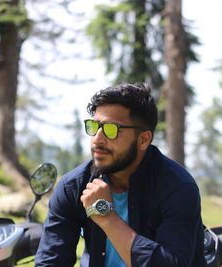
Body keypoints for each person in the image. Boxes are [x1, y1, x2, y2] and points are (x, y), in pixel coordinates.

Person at [35, 82, 206, 267]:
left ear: (143, 140)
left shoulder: (177, 187)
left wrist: (107, 217)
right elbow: (50, 262)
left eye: (111, 129)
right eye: (94, 126)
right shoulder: (73, 186)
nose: (97, 139)